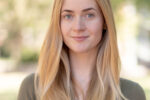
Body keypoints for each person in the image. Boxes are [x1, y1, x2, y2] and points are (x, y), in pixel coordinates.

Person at [17, 0, 146, 100]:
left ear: (105, 21)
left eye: (89, 15)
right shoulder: (34, 89)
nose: (78, 27)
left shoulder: (131, 94)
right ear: (58, 23)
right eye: (68, 16)